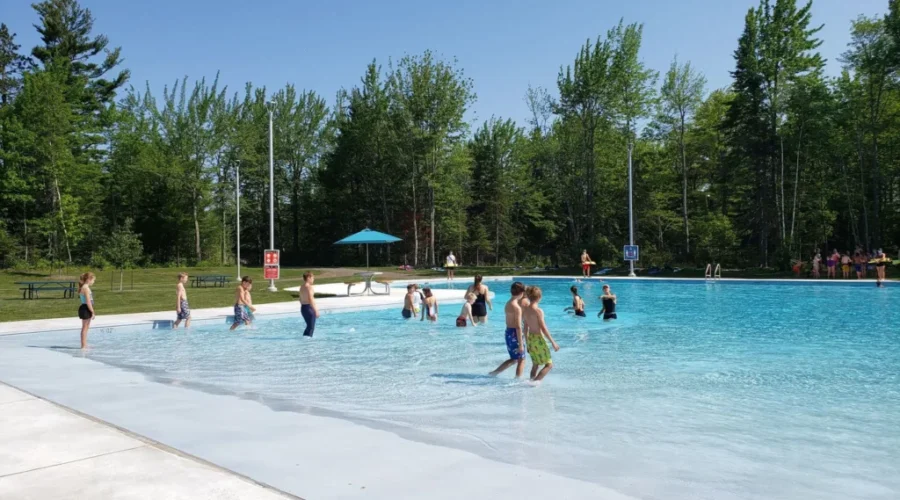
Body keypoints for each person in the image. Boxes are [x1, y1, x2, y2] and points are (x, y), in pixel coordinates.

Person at [489, 282, 528, 378]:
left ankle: (494, 373)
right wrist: (521, 344)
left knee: (514, 359)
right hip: (515, 334)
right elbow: (518, 326)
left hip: (508, 332)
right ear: (522, 292)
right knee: (521, 359)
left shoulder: (508, 303)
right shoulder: (517, 308)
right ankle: (517, 379)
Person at [522, 286, 559, 383]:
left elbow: (525, 328)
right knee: (549, 365)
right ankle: (534, 383)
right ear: (539, 297)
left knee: (535, 364)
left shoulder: (525, 310)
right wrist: (553, 342)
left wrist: (527, 343)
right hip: (539, 339)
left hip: (531, 339)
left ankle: (531, 381)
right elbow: (543, 327)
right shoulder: (538, 311)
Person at [77, 272, 96, 349]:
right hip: (86, 308)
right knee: (85, 328)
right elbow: (88, 301)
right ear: (89, 279)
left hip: (84, 308)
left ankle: (84, 344)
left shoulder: (84, 287)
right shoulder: (86, 288)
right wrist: (92, 311)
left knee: (85, 327)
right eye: (93, 280)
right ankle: (83, 346)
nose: (93, 282)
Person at [299, 271, 319, 337]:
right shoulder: (309, 287)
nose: (313, 279)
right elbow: (311, 299)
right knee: (311, 327)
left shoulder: (301, 287)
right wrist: (316, 310)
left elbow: (300, 299)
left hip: (303, 308)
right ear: (308, 277)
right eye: (312, 278)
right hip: (309, 308)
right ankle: (308, 344)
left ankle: (304, 340)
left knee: (308, 326)